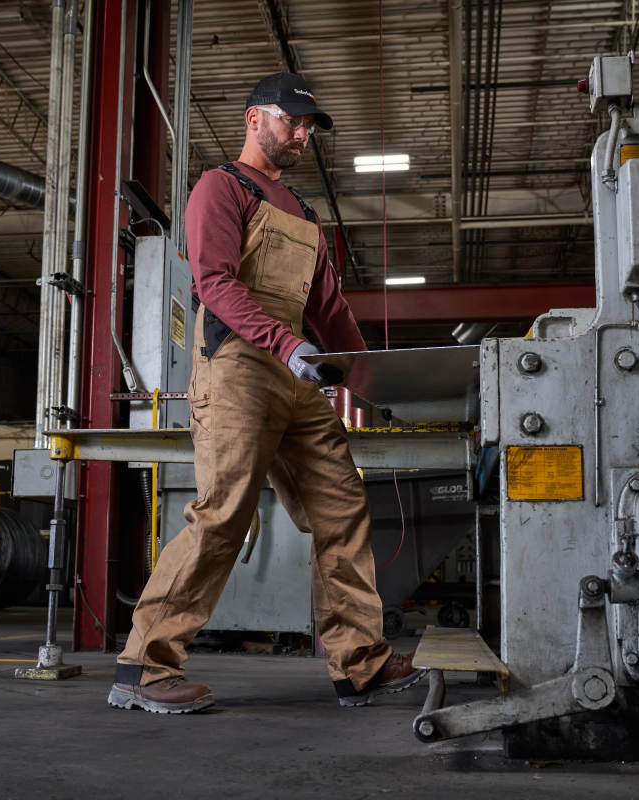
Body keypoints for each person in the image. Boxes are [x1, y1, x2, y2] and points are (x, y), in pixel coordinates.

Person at [107, 72, 422, 714]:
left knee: (341, 506)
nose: (302, 134)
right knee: (224, 511)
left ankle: (359, 662)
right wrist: (285, 344)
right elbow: (215, 283)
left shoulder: (305, 214)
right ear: (254, 118)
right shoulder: (220, 187)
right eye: (291, 120)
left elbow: (329, 310)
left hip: (297, 376)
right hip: (238, 369)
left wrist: (371, 380)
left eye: (308, 127)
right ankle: (146, 665)